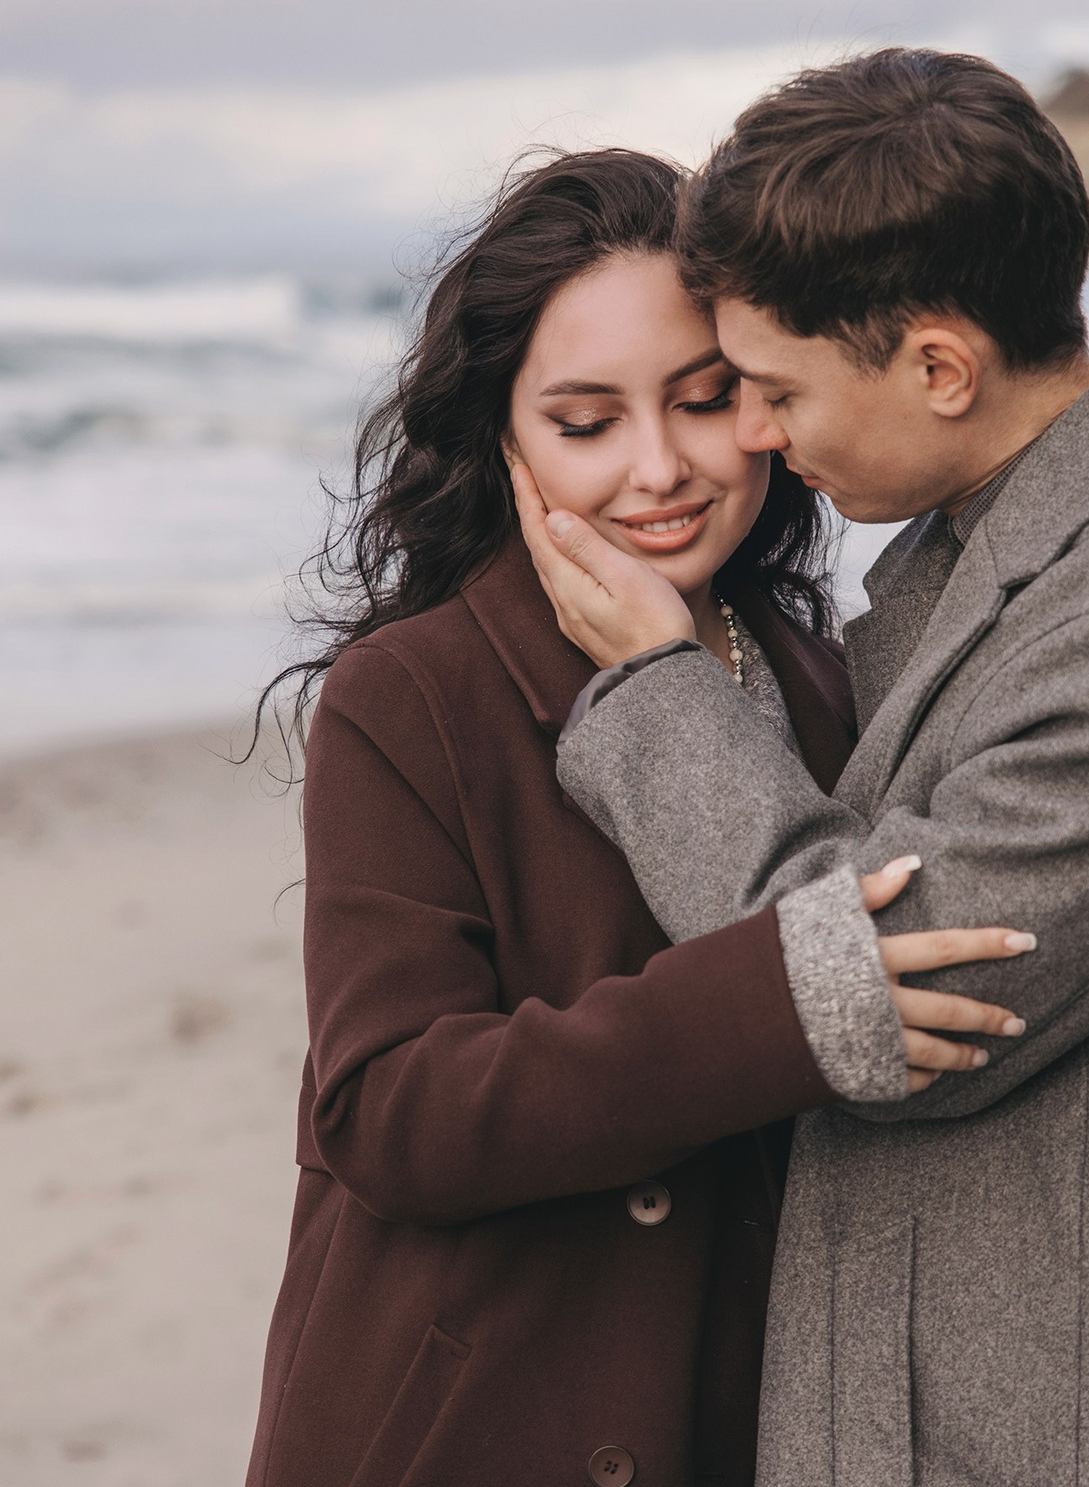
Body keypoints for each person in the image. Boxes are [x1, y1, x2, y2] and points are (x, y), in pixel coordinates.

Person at [514, 53, 1089, 1484]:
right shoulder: (1049, 526)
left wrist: (651, 684)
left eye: (769, 389)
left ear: (940, 367)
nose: (750, 436)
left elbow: (867, 993)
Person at [246, 148, 1030, 1487]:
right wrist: (767, 1008)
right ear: (502, 436)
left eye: (704, 399)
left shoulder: (832, 676)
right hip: (467, 1423)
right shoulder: (415, 693)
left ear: (769, 403)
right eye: (585, 420)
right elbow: (387, 1110)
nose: (658, 469)